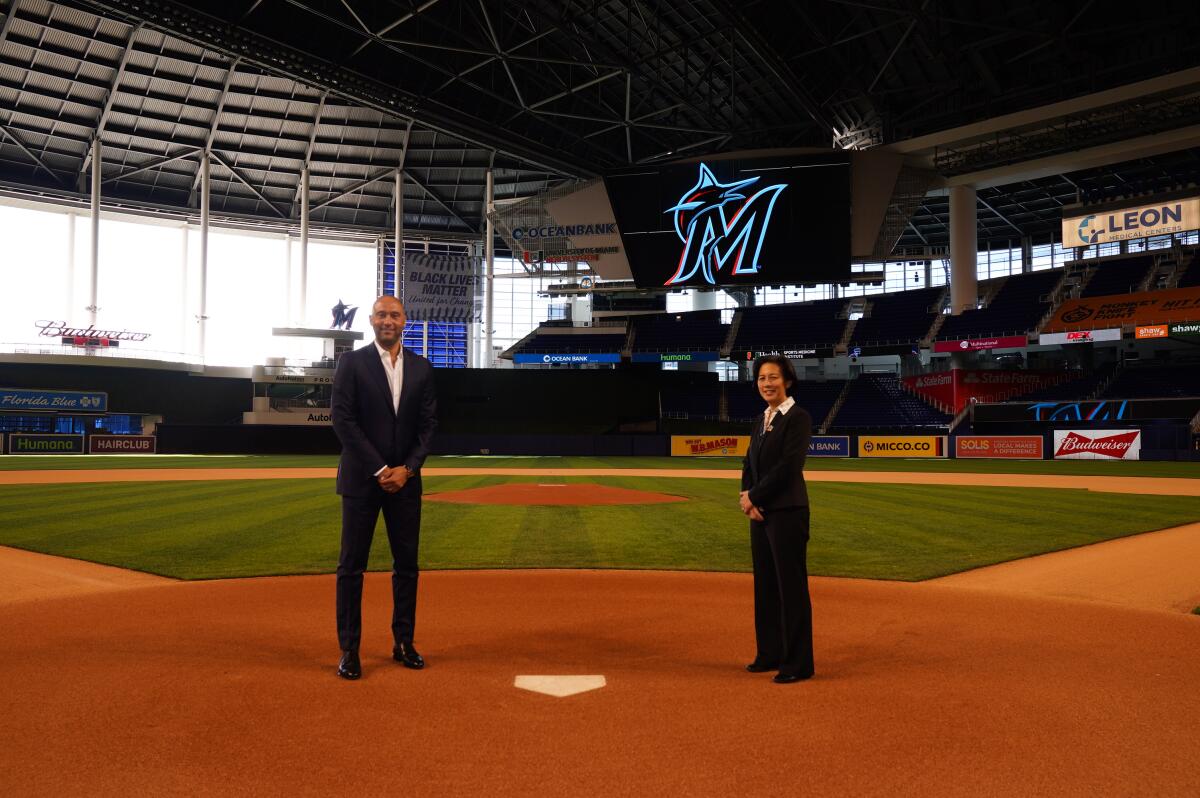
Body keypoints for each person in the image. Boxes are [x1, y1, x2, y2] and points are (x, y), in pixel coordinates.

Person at [330, 295, 437, 680]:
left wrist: (406, 469)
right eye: (381, 314)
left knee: (406, 567)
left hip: (406, 484)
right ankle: (350, 649)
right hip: (362, 481)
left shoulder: (423, 368)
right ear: (372, 320)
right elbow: (343, 421)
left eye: (394, 314)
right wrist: (380, 469)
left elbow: (427, 427)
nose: (387, 320)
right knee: (351, 568)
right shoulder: (352, 363)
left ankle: (404, 642)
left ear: (404, 321)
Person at [739, 354, 814, 684]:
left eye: (772, 377)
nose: (766, 383)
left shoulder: (798, 418)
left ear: (787, 381)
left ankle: (797, 663)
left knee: (790, 589)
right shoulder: (762, 419)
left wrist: (755, 496)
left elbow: (788, 468)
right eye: (761, 379)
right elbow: (749, 464)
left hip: (787, 512)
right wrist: (746, 497)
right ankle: (768, 653)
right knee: (765, 587)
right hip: (761, 514)